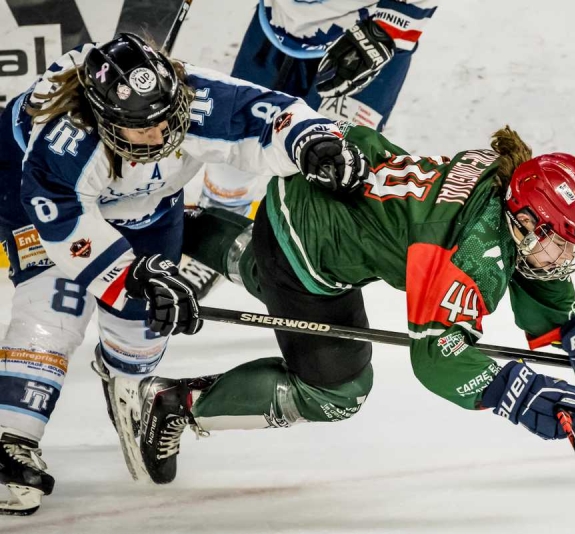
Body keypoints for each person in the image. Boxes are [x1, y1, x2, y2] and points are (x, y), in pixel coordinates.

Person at [109, 125, 575, 485]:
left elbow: (527, 267)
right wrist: (512, 391)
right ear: (524, 219)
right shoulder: (473, 254)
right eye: (561, 241)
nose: (566, 256)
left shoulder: (501, 182)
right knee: (339, 390)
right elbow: (438, 358)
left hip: (320, 198)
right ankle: (169, 405)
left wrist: (574, 330)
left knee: (265, 262)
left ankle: (171, 225)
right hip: (310, 248)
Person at [0, 32, 369, 514]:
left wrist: (313, 142)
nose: (163, 135)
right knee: (55, 308)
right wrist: (125, 274)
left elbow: (271, 114)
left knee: (147, 319)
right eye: (144, 130)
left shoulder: (194, 95)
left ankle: (130, 391)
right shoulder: (64, 140)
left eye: (166, 118)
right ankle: (13, 441)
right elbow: (63, 216)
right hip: (32, 198)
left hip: (150, 203)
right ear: (106, 120)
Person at [181, 0, 438, 295]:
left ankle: (325, 275)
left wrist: (388, 27)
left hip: (367, 33)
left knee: (338, 164)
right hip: (277, 24)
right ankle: (219, 237)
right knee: (233, 137)